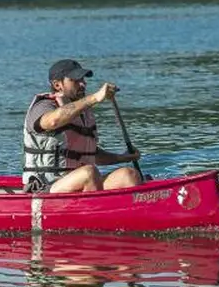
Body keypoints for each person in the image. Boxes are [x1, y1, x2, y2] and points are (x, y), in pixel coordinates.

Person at [22, 59, 142, 193]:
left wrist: (123, 157)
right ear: (57, 85)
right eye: (75, 80)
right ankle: (96, 210)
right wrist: (95, 98)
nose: (83, 84)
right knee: (89, 173)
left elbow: (90, 154)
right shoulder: (43, 106)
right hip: (46, 187)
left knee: (128, 175)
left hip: (81, 183)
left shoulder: (82, 111)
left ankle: (134, 209)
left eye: (83, 79)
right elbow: (52, 121)